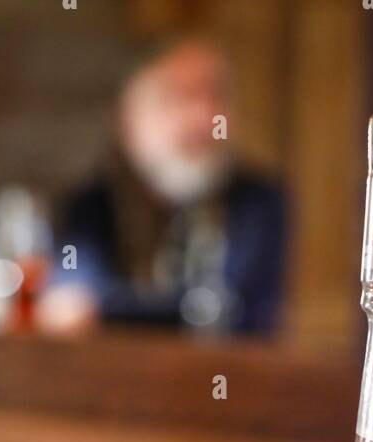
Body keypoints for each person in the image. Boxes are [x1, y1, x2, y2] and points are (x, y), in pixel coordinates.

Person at [37, 37, 287, 336]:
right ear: (127, 118)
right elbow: (71, 306)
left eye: (216, 96)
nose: (203, 118)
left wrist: (109, 310)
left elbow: (232, 314)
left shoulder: (258, 204)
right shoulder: (90, 207)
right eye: (176, 97)